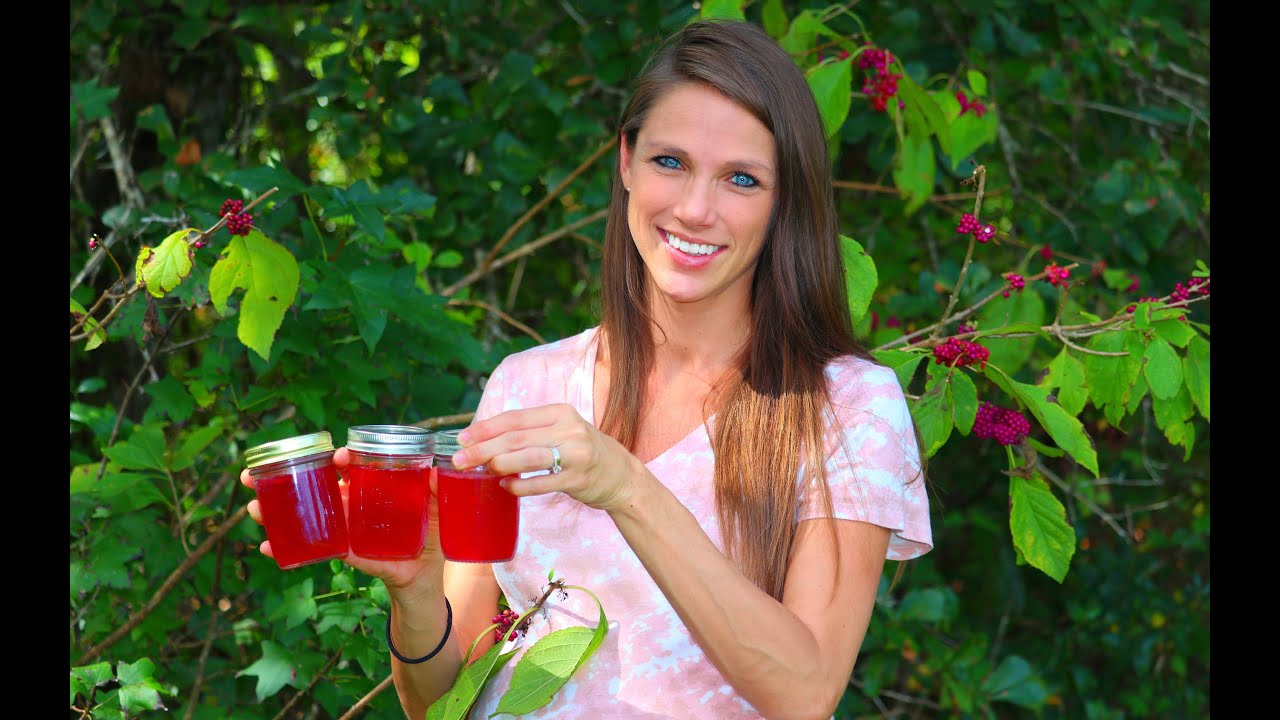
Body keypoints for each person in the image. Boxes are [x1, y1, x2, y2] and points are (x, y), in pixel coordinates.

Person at [241, 18, 931, 720]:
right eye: (670, 162)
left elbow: (806, 692)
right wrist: (415, 591)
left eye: (742, 179)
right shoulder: (527, 384)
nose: (695, 209)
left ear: (784, 201)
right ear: (626, 160)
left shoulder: (846, 406)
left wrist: (626, 485)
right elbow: (440, 704)